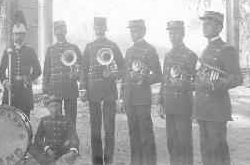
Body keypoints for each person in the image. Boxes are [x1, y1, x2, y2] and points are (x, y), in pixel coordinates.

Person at [193, 11, 243, 165]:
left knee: (218, 154)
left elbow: (237, 77)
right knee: (206, 152)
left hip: (216, 110)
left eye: (208, 24)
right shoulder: (207, 49)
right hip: (203, 110)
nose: (204, 27)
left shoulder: (226, 49)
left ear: (219, 27)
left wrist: (213, 84)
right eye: (203, 24)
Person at [81, 17, 124, 165]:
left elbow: (122, 67)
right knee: (95, 129)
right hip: (93, 92)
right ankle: (97, 161)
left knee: (109, 128)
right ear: (94, 29)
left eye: (101, 27)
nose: (99, 30)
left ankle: (109, 161)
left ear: (105, 28)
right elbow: (84, 69)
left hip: (109, 92)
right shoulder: (89, 47)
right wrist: (83, 88)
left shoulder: (112, 45)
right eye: (96, 28)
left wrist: (114, 74)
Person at [119, 19, 162, 165]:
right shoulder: (129, 50)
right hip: (129, 99)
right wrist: (121, 98)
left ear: (143, 32)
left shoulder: (150, 50)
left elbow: (158, 74)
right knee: (133, 133)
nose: (132, 34)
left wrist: (142, 77)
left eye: (135, 31)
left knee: (146, 133)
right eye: (131, 31)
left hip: (143, 98)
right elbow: (124, 76)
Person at [157, 21, 198, 165]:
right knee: (172, 143)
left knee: (184, 143)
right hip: (169, 105)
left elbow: (196, 83)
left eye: (175, 33)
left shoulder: (190, 55)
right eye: (170, 33)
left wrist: (184, 84)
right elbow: (164, 80)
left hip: (183, 106)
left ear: (183, 34)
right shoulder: (168, 55)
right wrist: (160, 102)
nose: (172, 36)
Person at [42, 20, 83, 126]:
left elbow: (83, 67)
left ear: (66, 31)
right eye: (56, 30)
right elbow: (46, 72)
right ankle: (58, 143)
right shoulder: (50, 50)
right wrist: (45, 92)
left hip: (70, 89)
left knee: (71, 120)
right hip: (54, 90)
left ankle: (72, 141)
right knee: (56, 121)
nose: (59, 32)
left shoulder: (74, 48)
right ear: (54, 33)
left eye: (61, 29)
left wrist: (76, 74)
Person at [0, 22, 42, 118]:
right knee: (8, 118)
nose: (18, 37)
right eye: (16, 34)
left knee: (24, 118)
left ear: (24, 35)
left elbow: (38, 70)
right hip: (11, 89)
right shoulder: (7, 51)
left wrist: (29, 78)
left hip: (24, 91)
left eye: (21, 34)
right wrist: (5, 82)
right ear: (13, 36)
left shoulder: (30, 51)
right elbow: (1, 70)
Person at [29, 95, 82, 165]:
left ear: (60, 106)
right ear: (47, 108)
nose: (54, 108)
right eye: (51, 106)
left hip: (63, 151)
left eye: (56, 105)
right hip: (49, 152)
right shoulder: (44, 120)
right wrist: (47, 148)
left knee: (75, 156)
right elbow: (38, 138)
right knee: (31, 148)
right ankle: (49, 161)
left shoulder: (67, 120)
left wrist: (72, 151)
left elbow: (74, 137)